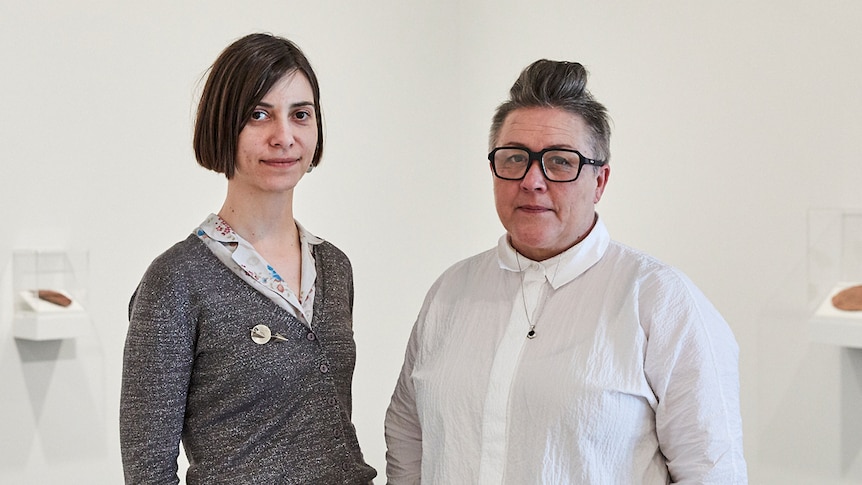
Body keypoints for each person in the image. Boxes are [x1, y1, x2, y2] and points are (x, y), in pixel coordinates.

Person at [384, 59, 747, 484]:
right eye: (515, 158)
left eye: (559, 161)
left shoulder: (658, 299)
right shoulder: (451, 291)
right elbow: (408, 435)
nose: (532, 180)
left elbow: (711, 470)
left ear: (600, 181)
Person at [120, 33, 377, 484]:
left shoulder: (334, 267)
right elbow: (148, 472)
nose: (284, 137)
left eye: (301, 115)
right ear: (223, 126)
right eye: (259, 115)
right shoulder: (177, 279)